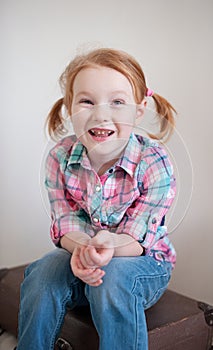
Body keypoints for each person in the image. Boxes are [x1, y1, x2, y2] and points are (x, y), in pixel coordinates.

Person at [17, 48, 177, 350]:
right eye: (87, 101)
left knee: (113, 277)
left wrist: (107, 247)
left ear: (138, 111)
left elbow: (139, 235)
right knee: (43, 272)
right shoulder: (60, 157)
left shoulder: (154, 162)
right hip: (82, 254)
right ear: (70, 108)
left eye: (117, 102)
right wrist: (82, 249)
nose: (101, 114)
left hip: (142, 260)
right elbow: (66, 223)